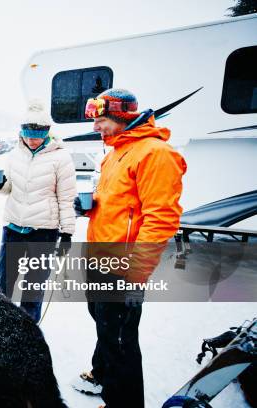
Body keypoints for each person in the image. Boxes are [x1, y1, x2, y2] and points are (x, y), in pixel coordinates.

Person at [72, 88, 187, 408]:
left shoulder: (155, 153)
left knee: (121, 343)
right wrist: (90, 208)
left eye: (101, 120)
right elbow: (123, 206)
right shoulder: (115, 153)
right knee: (106, 329)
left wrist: (135, 272)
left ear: (121, 117)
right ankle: (106, 382)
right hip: (99, 259)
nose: (96, 127)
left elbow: (161, 218)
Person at [0, 100, 76, 322]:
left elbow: (66, 197)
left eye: (35, 135)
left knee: (33, 287)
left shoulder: (61, 157)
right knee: (4, 283)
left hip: (43, 231)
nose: (30, 140)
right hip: (13, 227)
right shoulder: (14, 154)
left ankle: (28, 331)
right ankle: (1, 325)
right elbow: (10, 188)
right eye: (26, 134)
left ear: (47, 132)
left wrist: (67, 233)